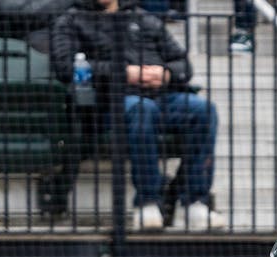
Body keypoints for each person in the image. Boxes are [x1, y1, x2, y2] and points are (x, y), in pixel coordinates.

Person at [51, 0, 225, 230]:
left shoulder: (144, 18)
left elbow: (182, 62)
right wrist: (123, 73)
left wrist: (167, 74)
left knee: (202, 110)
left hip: (161, 97)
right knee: (142, 109)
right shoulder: (71, 20)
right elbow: (66, 67)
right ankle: (148, 202)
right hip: (109, 103)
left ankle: (195, 203)